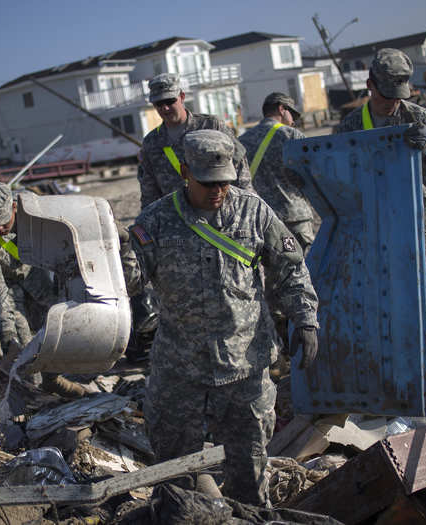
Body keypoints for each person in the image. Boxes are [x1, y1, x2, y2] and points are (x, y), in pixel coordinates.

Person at [120, 129, 319, 505]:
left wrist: (304, 317)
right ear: (184, 172)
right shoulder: (156, 221)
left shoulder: (254, 211)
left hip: (244, 366)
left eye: (225, 182)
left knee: (250, 471)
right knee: (175, 477)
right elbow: (129, 280)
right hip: (180, 369)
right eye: (207, 182)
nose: (218, 191)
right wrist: (104, 258)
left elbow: (291, 268)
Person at [336, 48, 426, 418]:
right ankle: (395, 392)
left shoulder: (418, 117)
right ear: (370, 85)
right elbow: (339, 182)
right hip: (374, 233)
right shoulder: (352, 126)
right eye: (387, 95)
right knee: (380, 310)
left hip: (416, 227)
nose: (394, 104)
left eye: (399, 95)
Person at [0, 182, 85, 398]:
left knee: (54, 328)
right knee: (21, 344)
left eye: (4, 222)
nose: (0, 229)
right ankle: (35, 395)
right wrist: (7, 336)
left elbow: (62, 245)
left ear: (13, 207)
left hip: (37, 275)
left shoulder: (34, 212)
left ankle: (55, 381)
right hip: (8, 287)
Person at [137, 73, 253, 210]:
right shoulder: (151, 142)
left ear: (182, 97)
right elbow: (149, 190)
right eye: (158, 104)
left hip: (221, 211)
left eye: (169, 101)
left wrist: (247, 207)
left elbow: (240, 168)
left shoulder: (211, 125)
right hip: (179, 220)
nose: (165, 108)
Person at [238, 92, 315, 253]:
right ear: (281, 109)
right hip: (294, 218)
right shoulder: (291, 135)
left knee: (275, 272)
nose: (293, 121)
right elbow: (313, 173)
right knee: (304, 268)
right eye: (292, 114)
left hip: (261, 220)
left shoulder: (243, 140)